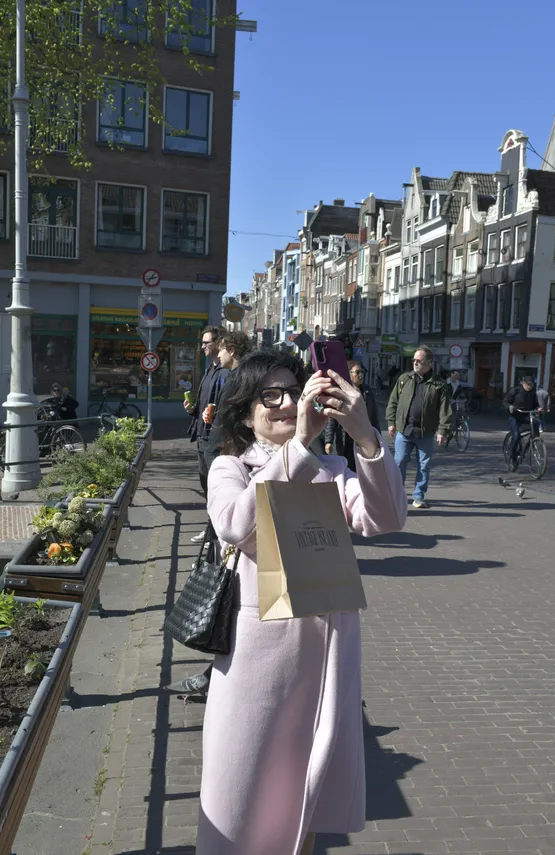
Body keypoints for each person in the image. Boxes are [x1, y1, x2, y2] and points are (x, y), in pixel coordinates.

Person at [194, 350, 406, 855]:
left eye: (294, 391)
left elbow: (386, 517)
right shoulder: (231, 467)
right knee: (247, 799)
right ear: (246, 412)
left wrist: (366, 438)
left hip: (327, 660)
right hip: (260, 668)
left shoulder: (331, 468)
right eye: (270, 395)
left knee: (307, 800)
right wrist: (298, 448)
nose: (288, 403)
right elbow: (238, 526)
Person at [167, 330, 251, 699]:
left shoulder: (239, 377)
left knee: (238, 603)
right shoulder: (219, 373)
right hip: (222, 453)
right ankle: (218, 675)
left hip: (228, 459)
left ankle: (220, 678)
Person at [386, 345, 452, 509]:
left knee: (424, 466)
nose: (415, 363)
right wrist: (391, 422)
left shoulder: (439, 384)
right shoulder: (404, 379)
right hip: (405, 430)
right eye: (413, 360)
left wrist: (442, 431)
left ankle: (418, 496)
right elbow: (393, 401)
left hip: (426, 433)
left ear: (428, 363)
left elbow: (445, 410)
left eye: (418, 360)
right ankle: (397, 494)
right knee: (399, 462)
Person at [184, 326, 229, 542]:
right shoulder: (210, 369)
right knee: (206, 485)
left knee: (217, 487)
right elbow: (206, 403)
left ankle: (217, 532)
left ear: (218, 343)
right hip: (203, 436)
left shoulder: (226, 372)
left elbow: (225, 405)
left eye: (206, 343)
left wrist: (214, 413)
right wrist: (193, 410)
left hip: (216, 439)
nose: (202, 346)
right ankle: (212, 529)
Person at [324, 361, 380, 468]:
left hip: (363, 440)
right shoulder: (341, 393)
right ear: (348, 374)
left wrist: (378, 437)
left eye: (362, 372)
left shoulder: (367, 391)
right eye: (357, 372)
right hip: (346, 440)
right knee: (346, 467)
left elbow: (373, 416)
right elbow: (332, 418)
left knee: (364, 468)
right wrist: (328, 441)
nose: (361, 375)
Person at [504, 376, 541, 465]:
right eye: (528, 384)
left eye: (532, 385)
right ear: (523, 383)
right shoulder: (515, 391)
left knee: (536, 422)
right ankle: (512, 454)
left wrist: (538, 408)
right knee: (516, 435)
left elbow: (535, 404)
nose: (530, 386)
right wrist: (509, 406)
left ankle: (534, 440)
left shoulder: (533, 393)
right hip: (514, 416)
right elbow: (505, 402)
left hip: (526, 416)